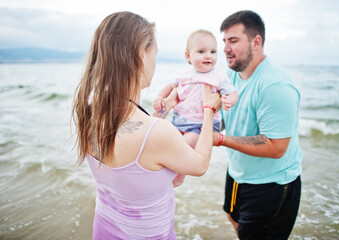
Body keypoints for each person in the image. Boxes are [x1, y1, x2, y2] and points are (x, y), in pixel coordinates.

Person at [71, 12, 221, 240]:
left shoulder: (89, 111)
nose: (155, 61)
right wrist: (209, 109)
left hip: (104, 230)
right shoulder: (157, 134)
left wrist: (166, 108)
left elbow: (135, 133)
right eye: (155, 54)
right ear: (142, 54)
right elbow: (199, 165)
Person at [215, 10, 303, 239]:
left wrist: (221, 140)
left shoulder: (276, 86)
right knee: (233, 218)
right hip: (238, 174)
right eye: (224, 41)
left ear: (256, 42)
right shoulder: (231, 76)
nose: (225, 48)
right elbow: (224, 116)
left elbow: (276, 147)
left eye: (233, 41)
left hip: (271, 185)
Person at [152, 29, 239, 186]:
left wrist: (229, 101)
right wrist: (159, 97)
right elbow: (170, 86)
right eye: (201, 51)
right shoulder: (184, 74)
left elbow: (233, 94)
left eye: (213, 51)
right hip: (179, 120)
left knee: (184, 146)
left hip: (200, 126)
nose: (208, 55)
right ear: (188, 56)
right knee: (168, 141)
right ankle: (163, 170)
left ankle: (179, 175)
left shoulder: (218, 75)